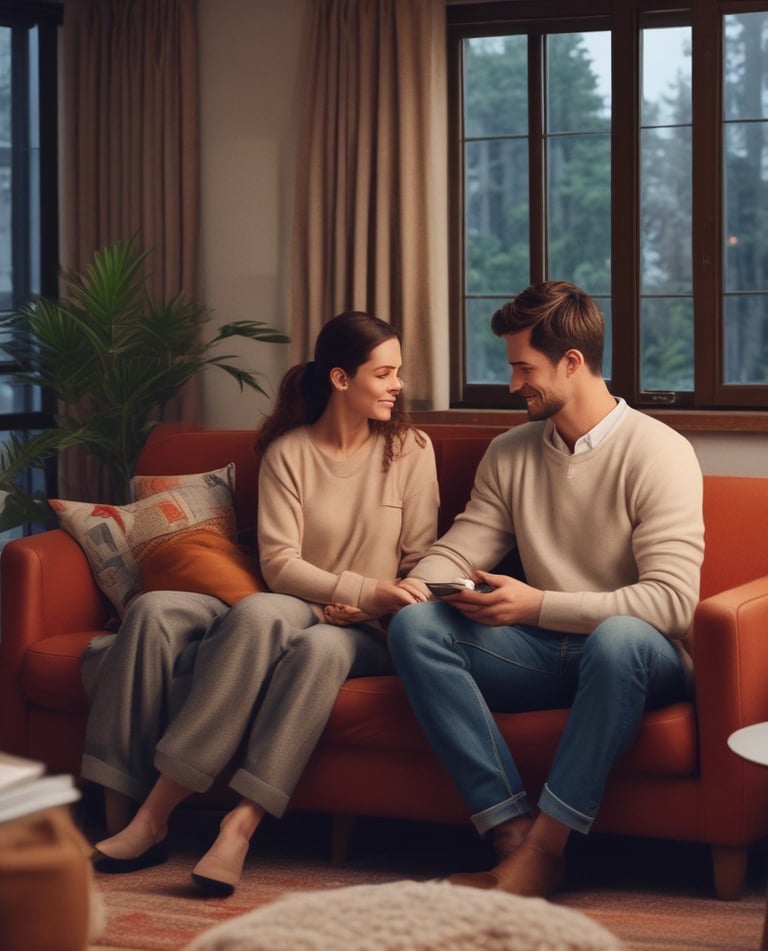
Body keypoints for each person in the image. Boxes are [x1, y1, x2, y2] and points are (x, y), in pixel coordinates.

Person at [82, 311, 439, 896]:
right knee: (257, 612)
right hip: (299, 600)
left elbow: (422, 559)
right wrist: (355, 587)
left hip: (375, 625)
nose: (399, 385)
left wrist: (374, 601)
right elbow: (280, 565)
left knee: (321, 647)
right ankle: (154, 815)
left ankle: (237, 827)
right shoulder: (288, 453)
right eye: (385, 373)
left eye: (399, 372)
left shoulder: (410, 449)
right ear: (341, 379)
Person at [388, 280, 705, 898]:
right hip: (538, 652)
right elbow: (460, 547)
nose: (513, 385)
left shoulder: (660, 453)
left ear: (572, 362)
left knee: (618, 639)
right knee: (415, 626)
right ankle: (510, 834)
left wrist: (535, 604)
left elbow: (671, 604)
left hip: (634, 659)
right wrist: (403, 590)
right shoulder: (511, 453)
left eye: (523, 368)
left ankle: (546, 850)